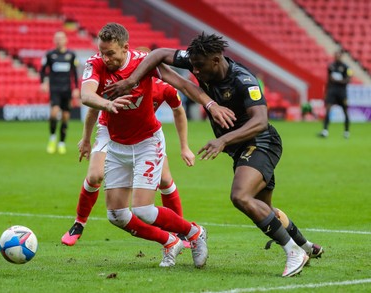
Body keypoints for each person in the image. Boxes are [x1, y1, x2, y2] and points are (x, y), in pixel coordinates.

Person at [104, 32, 324, 277]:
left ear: (217, 60)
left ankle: (293, 251)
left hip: (261, 142)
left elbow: (261, 121)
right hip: (240, 147)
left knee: (240, 197)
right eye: (193, 65)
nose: (195, 71)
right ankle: (307, 246)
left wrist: (223, 140)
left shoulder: (243, 80)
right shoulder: (199, 59)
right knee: (263, 207)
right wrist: (132, 80)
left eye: (199, 67)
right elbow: (158, 55)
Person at [79, 22, 210, 268]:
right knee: (116, 215)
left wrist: (210, 105)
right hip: (117, 145)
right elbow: (86, 96)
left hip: (147, 142)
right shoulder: (94, 63)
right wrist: (107, 105)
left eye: (111, 53)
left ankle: (195, 232)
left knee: (144, 210)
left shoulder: (145, 62)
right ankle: (170, 242)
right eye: (102, 52)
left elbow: (181, 85)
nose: (105, 58)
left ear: (125, 47)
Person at [61, 77, 195, 249]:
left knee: (165, 180)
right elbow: (94, 108)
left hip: (144, 136)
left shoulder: (164, 88)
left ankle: (180, 231)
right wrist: (86, 138)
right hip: (109, 130)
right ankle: (79, 224)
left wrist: (184, 147)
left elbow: (178, 111)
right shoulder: (117, 84)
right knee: (95, 175)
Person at [40, 31, 80, 154]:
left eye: (61, 38)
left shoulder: (71, 55)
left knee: (65, 117)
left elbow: (75, 73)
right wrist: (43, 82)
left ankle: (61, 143)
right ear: (54, 40)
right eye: (57, 38)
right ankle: (52, 138)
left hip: (67, 90)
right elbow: (42, 70)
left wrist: (76, 88)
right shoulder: (50, 55)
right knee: (54, 113)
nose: (59, 40)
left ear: (65, 40)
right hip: (55, 89)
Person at [319, 50, 352, 138]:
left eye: (338, 55)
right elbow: (328, 80)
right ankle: (325, 131)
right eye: (335, 55)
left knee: (345, 111)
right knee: (328, 110)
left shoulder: (346, 67)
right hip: (332, 91)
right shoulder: (331, 66)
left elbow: (348, 80)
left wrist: (338, 80)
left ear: (341, 56)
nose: (337, 57)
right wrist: (326, 92)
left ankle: (346, 131)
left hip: (342, 92)